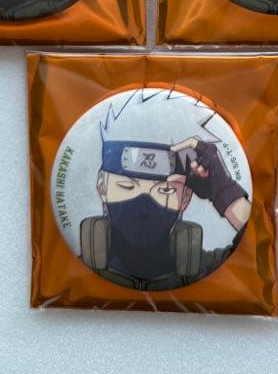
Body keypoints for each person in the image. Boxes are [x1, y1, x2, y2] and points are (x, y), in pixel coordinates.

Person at [79, 90, 250, 290]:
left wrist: (222, 192)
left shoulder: (213, 268)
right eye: (126, 186)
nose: (144, 205)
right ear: (102, 186)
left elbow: (259, 248)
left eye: (165, 191)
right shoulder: (73, 274)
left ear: (185, 198)